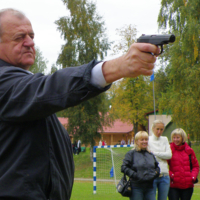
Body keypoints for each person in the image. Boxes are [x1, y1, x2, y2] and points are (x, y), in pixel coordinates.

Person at [0, 8, 159, 200]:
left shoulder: (20, 87)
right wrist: (118, 66)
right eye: (19, 37)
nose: (30, 42)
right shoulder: (5, 83)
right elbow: (48, 87)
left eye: (31, 35)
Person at [121, 131, 160, 200]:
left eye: (146, 139)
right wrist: (135, 175)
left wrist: (155, 174)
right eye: (142, 140)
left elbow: (157, 167)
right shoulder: (131, 154)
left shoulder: (150, 154)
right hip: (136, 188)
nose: (144, 142)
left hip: (150, 187)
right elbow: (124, 167)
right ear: (136, 141)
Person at [168, 128, 199, 200]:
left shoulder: (189, 151)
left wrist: (192, 177)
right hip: (173, 185)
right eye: (174, 137)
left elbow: (196, 166)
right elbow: (163, 165)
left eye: (178, 137)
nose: (175, 140)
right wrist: (171, 175)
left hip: (187, 185)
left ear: (183, 138)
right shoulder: (169, 149)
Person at [148, 120, 172, 200]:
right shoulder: (148, 140)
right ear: (153, 128)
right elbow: (149, 157)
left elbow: (169, 155)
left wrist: (154, 153)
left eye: (161, 129)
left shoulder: (165, 139)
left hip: (164, 175)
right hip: (152, 175)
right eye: (157, 129)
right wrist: (162, 155)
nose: (159, 131)